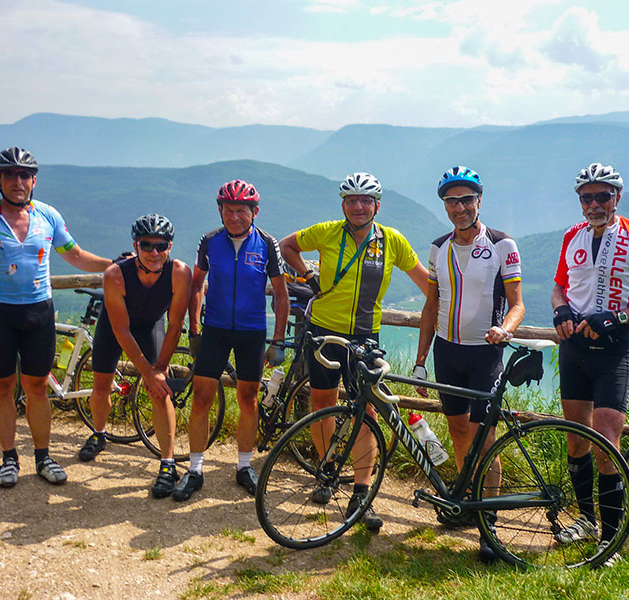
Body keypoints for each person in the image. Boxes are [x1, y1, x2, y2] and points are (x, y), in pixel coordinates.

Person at [279, 172, 429, 531]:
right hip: (323, 331)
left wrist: (455, 309)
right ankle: (327, 468)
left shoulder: (392, 241)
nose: (359, 207)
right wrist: (307, 277)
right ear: (343, 205)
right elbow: (286, 246)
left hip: (365, 335)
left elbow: (427, 283)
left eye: (366, 201)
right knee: (321, 402)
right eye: (352, 200)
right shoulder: (327, 232)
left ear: (377, 205)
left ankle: (361, 493)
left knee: (370, 413)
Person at [0, 147, 112, 488]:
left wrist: (114, 265)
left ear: (34, 180)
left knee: (38, 386)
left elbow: (74, 255)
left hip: (39, 310)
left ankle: (43, 456)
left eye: (24, 175)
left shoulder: (48, 216)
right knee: (1, 386)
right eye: (10, 174)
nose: (17, 181)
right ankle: (9, 457)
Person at [551, 162, 629, 561]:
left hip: (614, 349)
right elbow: (558, 288)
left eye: (603, 196)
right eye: (587, 198)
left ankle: (611, 535)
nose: (594, 204)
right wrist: (561, 310)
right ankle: (586, 521)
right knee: (575, 440)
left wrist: (618, 317)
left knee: (607, 444)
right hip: (573, 349)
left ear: (617, 197)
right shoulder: (573, 236)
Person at [412, 166, 524, 561]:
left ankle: (489, 522)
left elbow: (517, 304)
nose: (459, 208)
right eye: (451, 201)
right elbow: (431, 305)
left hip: (484, 354)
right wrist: (422, 359)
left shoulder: (502, 244)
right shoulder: (438, 247)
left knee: (484, 438)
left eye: (466, 200)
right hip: (447, 351)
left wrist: (505, 330)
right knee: (458, 430)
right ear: (444, 205)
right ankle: (466, 501)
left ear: (479, 201)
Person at [172, 180, 289, 501]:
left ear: (255, 212)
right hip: (215, 330)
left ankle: (243, 466)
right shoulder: (210, 242)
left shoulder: (267, 243)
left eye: (241, 210)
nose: (234, 216)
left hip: (252, 332)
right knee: (201, 398)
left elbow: (281, 294)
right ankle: (195, 470)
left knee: (248, 399)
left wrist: (277, 339)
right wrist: (194, 329)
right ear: (220, 210)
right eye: (228, 210)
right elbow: (197, 285)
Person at [77, 214, 192, 498]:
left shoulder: (179, 272)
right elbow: (120, 328)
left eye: (161, 246)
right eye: (146, 245)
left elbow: (176, 324)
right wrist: (146, 370)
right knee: (102, 382)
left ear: (170, 247)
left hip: (152, 323)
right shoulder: (115, 274)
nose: (154, 252)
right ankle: (99, 432)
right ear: (135, 245)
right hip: (116, 326)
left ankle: (167, 464)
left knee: (160, 391)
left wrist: (159, 369)